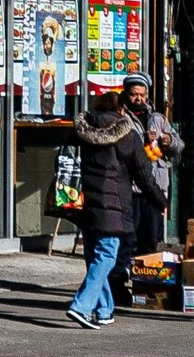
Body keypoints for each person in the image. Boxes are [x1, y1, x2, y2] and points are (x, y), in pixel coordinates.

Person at [68, 89, 166, 327]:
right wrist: (160, 201)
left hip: (86, 204)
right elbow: (143, 175)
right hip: (113, 206)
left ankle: (104, 310)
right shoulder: (127, 136)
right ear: (121, 109)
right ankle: (81, 306)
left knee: (95, 257)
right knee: (106, 256)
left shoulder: (82, 132)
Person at [120, 72, 182, 259]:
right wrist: (141, 141)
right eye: (134, 94)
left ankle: (147, 281)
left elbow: (179, 146)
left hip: (156, 186)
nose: (138, 98)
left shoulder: (158, 118)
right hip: (133, 187)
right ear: (126, 94)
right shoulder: (122, 118)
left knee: (152, 239)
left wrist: (168, 140)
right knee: (130, 239)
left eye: (142, 94)